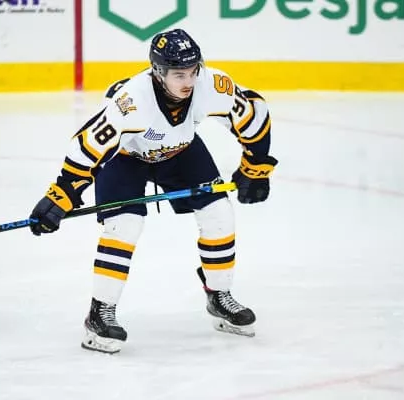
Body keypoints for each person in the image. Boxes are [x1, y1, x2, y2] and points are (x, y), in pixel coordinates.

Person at [29, 28, 278, 354]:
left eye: (193, 71)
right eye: (179, 74)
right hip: (125, 158)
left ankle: (219, 295)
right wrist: (60, 196)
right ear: (158, 72)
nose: (189, 81)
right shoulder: (131, 102)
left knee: (219, 212)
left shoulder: (212, 85)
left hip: (181, 151)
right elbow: (88, 146)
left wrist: (256, 168)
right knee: (124, 226)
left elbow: (253, 116)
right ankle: (99, 314)